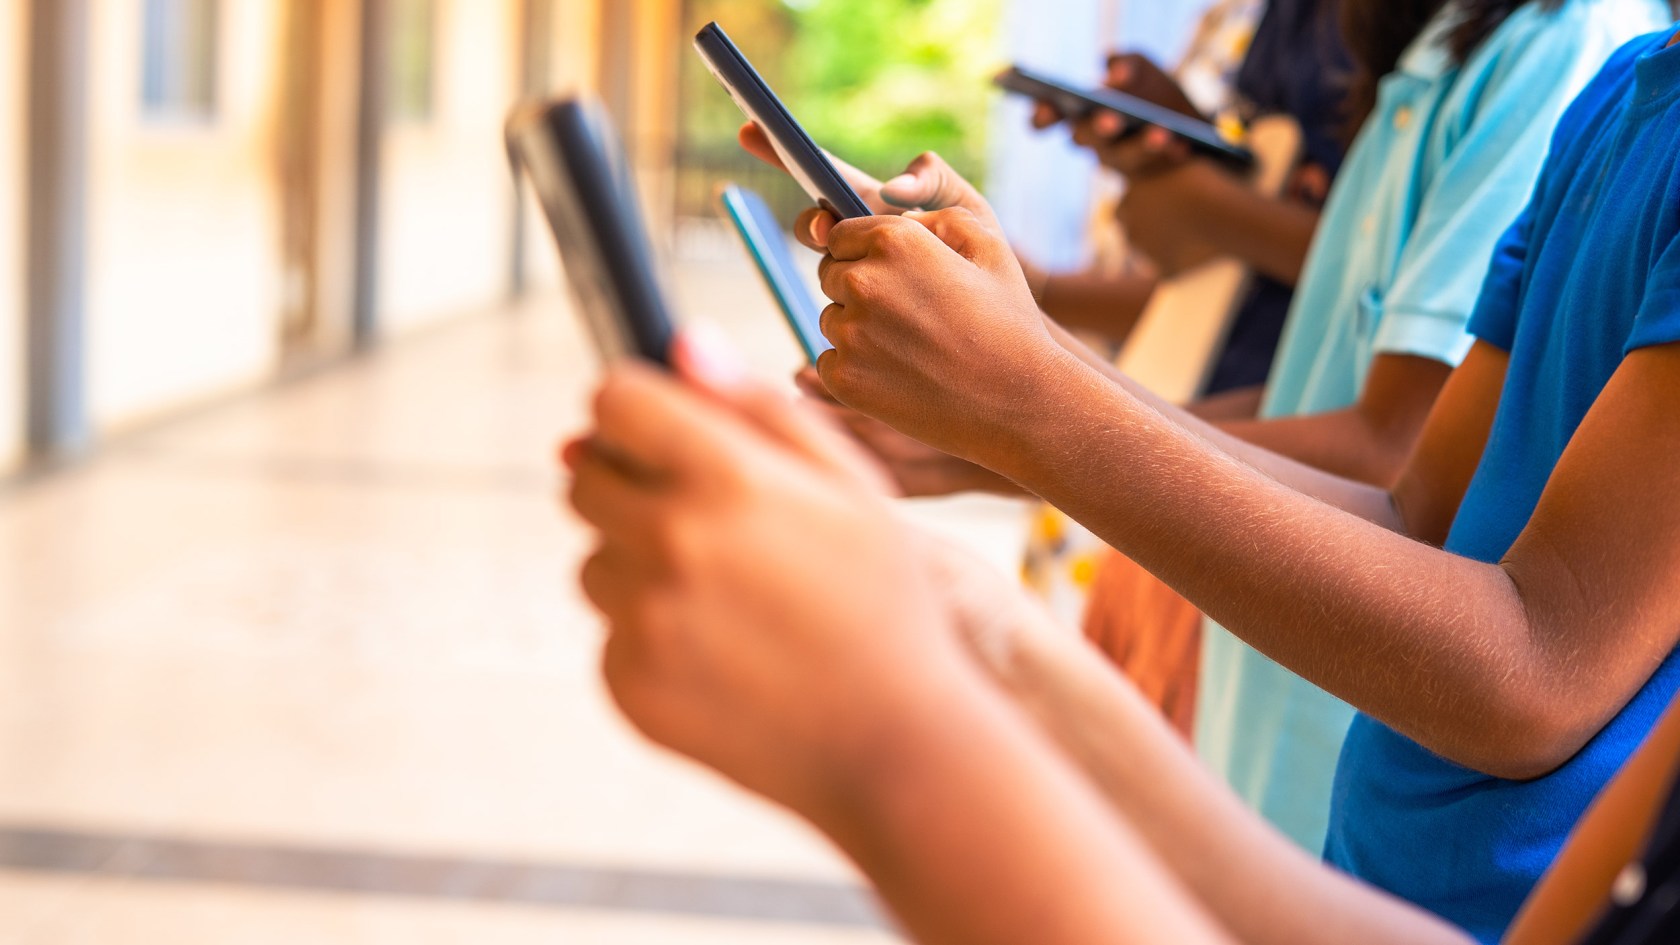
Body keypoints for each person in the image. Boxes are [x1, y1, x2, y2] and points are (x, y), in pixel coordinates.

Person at [566, 25, 1680, 943]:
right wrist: (1007, 404)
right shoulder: (1627, 94)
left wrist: (1028, 406)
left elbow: (1534, 671)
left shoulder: (1574, 53)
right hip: (1372, 867)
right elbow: (1418, 515)